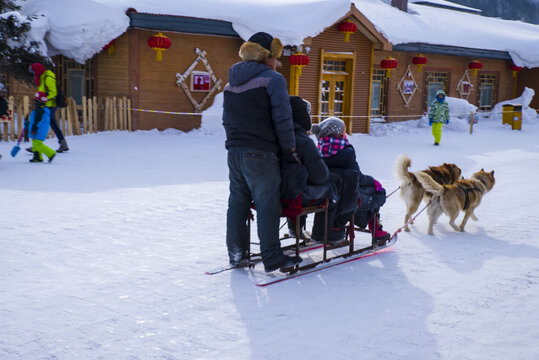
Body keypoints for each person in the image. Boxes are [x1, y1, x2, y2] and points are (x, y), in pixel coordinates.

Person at [222, 32, 302, 272]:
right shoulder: (272, 80)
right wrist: (290, 151)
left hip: (234, 152)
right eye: (276, 58)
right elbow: (283, 120)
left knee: (237, 203)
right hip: (261, 153)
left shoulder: (230, 83)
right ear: (267, 56)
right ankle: (272, 257)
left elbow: (226, 120)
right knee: (268, 204)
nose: (277, 63)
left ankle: (236, 253)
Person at [310, 117, 390, 245]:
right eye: (344, 129)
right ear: (340, 133)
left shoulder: (319, 149)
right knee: (373, 191)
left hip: (328, 194)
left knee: (361, 192)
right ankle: (377, 231)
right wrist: (374, 181)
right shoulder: (346, 150)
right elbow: (357, 176)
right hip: (346, 196)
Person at [281, 96, 337, 239]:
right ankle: (323, 233)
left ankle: (295, 228)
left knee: (295, 180)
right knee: (333, 188)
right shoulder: (304, 142)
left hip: (272, 192)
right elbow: (320, 176)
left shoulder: (273, 136)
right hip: (295, 196)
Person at [27, 63, 69, 153]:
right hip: (45, 104)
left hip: (50, 105)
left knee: (41, 122)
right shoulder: (42, 77)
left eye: (34, 72)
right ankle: (62, 143)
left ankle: (37, 145)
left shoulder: (48, 78)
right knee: (51, 124)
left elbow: (53, 92)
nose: (34, 74)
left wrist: (43, 97)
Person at [27, 91, 56, 163]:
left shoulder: (40, 110)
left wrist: (34, 129)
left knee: (37, 145)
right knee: (35, 143)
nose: (34, 103)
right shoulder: (42, 109)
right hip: (40, 130)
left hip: (38, 130)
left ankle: (51, 153)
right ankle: (37, 157)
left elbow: (38, 121)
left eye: (35, 101)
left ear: (38, 102)